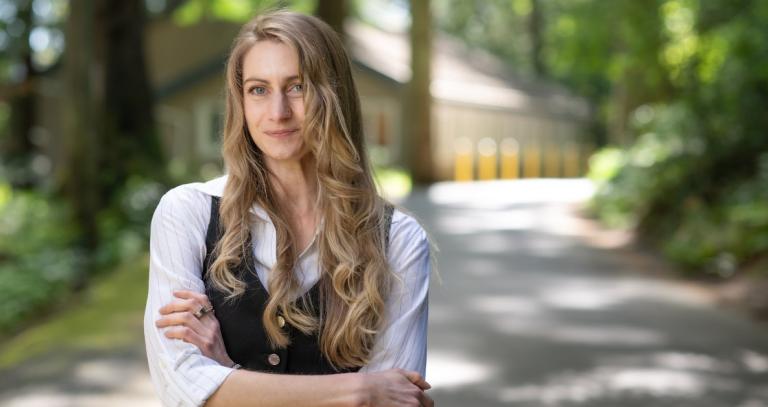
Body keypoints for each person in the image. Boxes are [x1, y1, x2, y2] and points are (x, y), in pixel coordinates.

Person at [143, 10, 433, 407]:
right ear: (240, 103)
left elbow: (398, 402)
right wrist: (361, 390)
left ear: (333, 95)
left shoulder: (399, 240)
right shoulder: (186, 213)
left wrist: (228, 373)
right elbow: (180, 390)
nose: (277, 112)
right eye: (258, 90)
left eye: (296, 87)